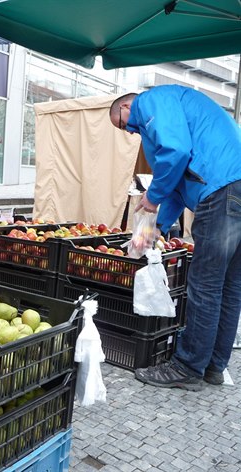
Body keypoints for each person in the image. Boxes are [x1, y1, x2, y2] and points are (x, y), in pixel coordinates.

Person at [109, 85, 241, 391]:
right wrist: (156, 227)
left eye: (121, 123)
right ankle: (214, 367)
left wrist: (152, 197)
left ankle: (187, 366)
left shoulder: (153, 101)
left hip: (221, 190)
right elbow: (178, 187)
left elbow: (176, 152)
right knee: (230, 286)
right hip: (234, 188)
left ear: (126, 107)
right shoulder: (175, 114)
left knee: (205, 284)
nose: (128, 132)